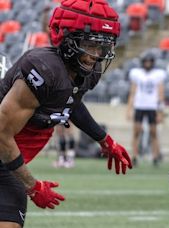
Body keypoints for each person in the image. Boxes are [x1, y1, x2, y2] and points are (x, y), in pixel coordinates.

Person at [0, 1, 133, 227]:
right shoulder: (43, 69)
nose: (95, 55)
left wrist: (104, 140)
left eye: (102, 46)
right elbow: (2, 134)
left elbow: (71, 102)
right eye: (89, 45)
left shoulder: (86, 72)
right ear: (68, 38)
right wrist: (33, 186)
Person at [126, 54, 166, 166]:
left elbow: (161, 93)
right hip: (139, 105)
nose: (147, 64)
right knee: (136, 132)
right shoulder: (137, 74)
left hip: (152, 106)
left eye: (149, 62)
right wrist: (129, 109)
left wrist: (160, 111)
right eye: (146, 62)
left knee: (153, 132)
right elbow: (132, 92)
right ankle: (134, 156)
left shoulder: (158, 74)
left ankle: (155, 156)